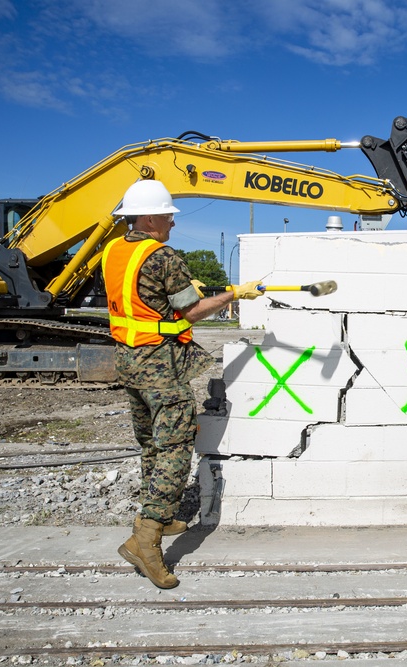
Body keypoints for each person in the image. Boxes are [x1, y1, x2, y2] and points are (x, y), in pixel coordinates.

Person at [102, 179, 263, 589]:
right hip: (160, 363)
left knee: (152, 445)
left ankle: (160, 511)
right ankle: (146, 539)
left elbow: (151, 301)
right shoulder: (162, 256)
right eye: (169, 217)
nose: (172, 224)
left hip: (128, 361)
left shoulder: (114, 251)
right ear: (151, 217)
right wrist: (235, 295)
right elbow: (190, 312)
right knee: (175, 448)